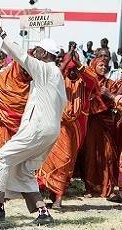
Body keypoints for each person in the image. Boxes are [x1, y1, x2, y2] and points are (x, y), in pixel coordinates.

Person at [0, 11, 67, 225]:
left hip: (38, 129)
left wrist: (0, 30)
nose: (35, 54)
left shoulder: (44, 69)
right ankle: (43, 214)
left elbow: (21, 56)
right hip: (50, 131)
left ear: (44, 53)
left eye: (38, 51)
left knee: (2, 158)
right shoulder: (56, 76)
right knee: (25, 172)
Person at [36, 52, 106, 208]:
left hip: (74, 129)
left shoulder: (84, 83)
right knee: (51, 161)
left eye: (76, 69)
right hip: (57, 126)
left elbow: (93, 81)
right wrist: (66, 62)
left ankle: (59, 198)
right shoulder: (61, 80)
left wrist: (78, 64)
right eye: (70, 69)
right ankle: (53, 196)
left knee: (65, 161)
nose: (73, 72)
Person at [77, 58, 121, 198]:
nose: (104, 68)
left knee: (107, 155)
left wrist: (108, 94)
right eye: (100, 65)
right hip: (90, 124)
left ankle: (106, 188)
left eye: (105, 66)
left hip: (106, 125)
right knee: (90, 155)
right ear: (94, 66)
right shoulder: (87, 83)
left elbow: (116, 103)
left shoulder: (110, 84)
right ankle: (90, 188)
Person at [0, 61, 31, 164]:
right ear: (17, 67)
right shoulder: (5, 77)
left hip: (22, 127)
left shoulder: (33, 83)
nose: (26, 72)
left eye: (28, 69)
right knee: (1, 155)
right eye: (24, 68)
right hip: (2, 125)